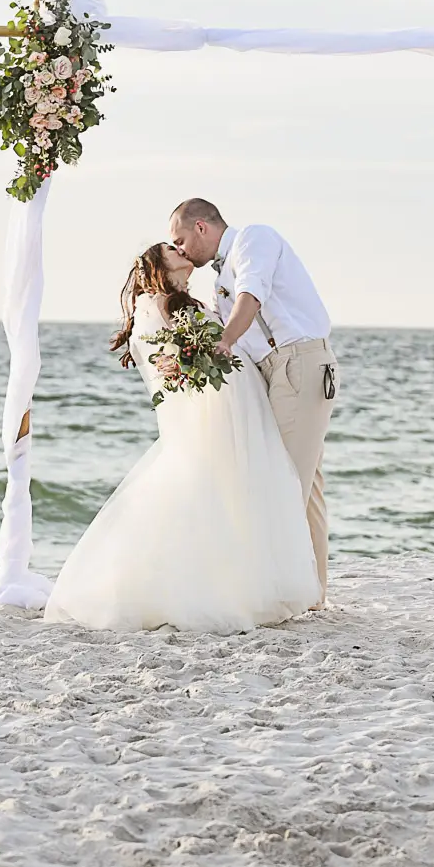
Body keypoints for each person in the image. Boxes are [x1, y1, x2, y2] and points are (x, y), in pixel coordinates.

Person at [43, 244, 317, 632]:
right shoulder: (154, 306)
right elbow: (167, 369)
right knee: (206, 495)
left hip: (239, 408)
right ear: (158, 265)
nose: (182, 250)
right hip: (214, 417)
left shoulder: (187, 301)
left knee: (237, 498)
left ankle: (243, 584)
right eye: (172, 249)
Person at [167, 198, 336, 607]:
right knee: (305, 484)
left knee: (283, 484)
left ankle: (281, 594)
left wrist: (225, 339)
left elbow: (251, 297)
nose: (182, 249)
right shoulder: (219, 277)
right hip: (275, 371)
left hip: (299, 361)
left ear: (203, 228)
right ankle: (311, 592)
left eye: (181, 239)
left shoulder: (253, 240)